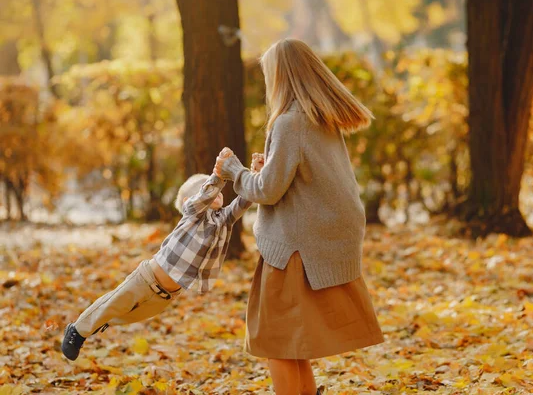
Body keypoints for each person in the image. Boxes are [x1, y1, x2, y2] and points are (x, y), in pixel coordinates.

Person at [214, 38, 384, 395]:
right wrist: (262, 170)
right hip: (317, 238)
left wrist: (235, 171)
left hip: (295, 247)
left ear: (281, 77)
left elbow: (268, 191)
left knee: (275, 340)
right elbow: (291, 180)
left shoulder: (289, 123)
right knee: (292, 342)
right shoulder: (320, 119)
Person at [61, 149, 260, 361]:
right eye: (209, 189)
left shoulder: (223, 219)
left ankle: (94, 325)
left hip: (167, 296)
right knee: (113, 303)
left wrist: (254, 173)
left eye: (221, 191)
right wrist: (219, 176)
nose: (218, 193)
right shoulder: (193, 213)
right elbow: (205, 195)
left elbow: (243, 202)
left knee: (123, 316)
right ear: (187, 200)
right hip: (147, 278)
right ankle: (76, 331)